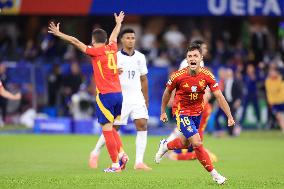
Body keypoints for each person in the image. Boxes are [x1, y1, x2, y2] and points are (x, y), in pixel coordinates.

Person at [48, 11, 126, 173]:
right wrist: (118, 23)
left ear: (93, 40)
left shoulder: (94, 52)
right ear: (104, 40)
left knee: (107, 130)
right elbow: (114, 36)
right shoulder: (112, 47)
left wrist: (59, 33)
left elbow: (75, 41)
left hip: (105, 95)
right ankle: (122, 155)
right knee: (112, 129)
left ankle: (115, 165)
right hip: (119, 94)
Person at [155, 43, 235, 185]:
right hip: (181, 112)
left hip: (197, 112)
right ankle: (216, 175)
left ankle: (165, 146)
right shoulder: (178, 76)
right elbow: (167, 92)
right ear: (186, 59)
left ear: (201, 58)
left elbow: (219, 96)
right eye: (189, 56)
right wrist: (162, 112)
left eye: (195, 56)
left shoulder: (207, 75)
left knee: (187, 144)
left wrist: (229, 115)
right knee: (197, 142)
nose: (192, 58)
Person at [89, 28, 152, 171]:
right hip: (119, 96)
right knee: (113, 128)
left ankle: (139, 162)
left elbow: (144, 79)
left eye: (133, 38)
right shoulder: (114, 55)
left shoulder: (140, 57)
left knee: (142, 124)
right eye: (128, 38)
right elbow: (104, 73)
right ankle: (95, 151)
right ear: (121, 40)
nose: (131, 40)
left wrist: (145, 98)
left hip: (136, 96)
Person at [265, 66, 284, 133]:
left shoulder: (280, 79)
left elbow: (279, 89)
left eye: (273, 72)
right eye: (270, 72)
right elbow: (269, 91)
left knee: (281, 116)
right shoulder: (268, 81)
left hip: (281, 101)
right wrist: (270, 101)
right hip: (274, 102)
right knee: (279, 116)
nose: (271, 73)